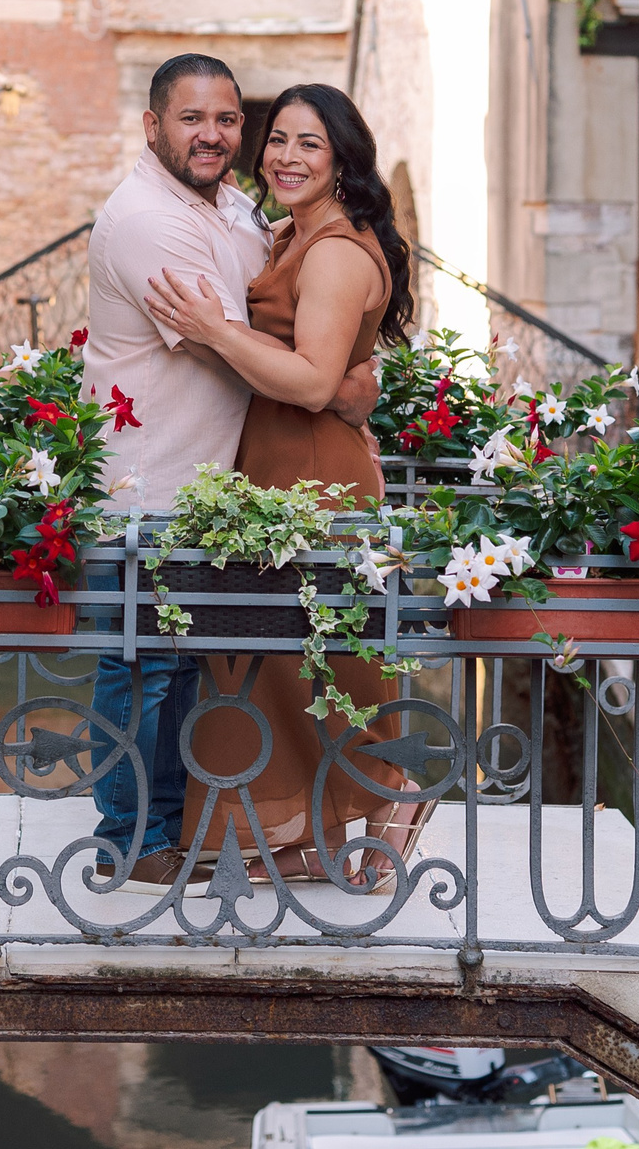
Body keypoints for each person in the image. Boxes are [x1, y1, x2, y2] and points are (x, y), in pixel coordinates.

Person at [79, 55, 375, 894]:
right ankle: (130, 840)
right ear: (151, 126)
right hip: (150, 481)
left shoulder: (238, 205)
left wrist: (347, 366)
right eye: (189, 118)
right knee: (138, 665)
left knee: (192, 664)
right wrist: (337, 379)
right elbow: (231, 340)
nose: (212, 133)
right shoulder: (147, 221)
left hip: (222, 487)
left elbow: (282, 310)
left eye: (225, 119)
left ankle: (195, 828)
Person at [145, 82, 427, 892]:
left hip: (310, 470)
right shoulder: (290, 234)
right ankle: (318, 828)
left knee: (320, 655)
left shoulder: (334, 249)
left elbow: (308, 382)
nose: (286, 156)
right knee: (280, 661)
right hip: (278, 470)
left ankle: (392, 798)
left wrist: (213, 328)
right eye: (278, 140)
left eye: (309, 143)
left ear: (342, 159)